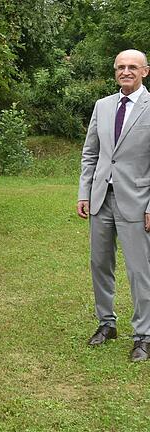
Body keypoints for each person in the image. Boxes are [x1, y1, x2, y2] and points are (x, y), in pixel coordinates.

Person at [78, 49, 150, 362]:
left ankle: (144, 335)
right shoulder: (103, 106)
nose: (126, 71)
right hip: (100, 199)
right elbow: (90, 154)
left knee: (139, 271)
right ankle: (107, 324)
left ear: (145, 71)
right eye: (121, 67)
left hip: (137, 200)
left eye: (132, 67)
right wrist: (84, 192)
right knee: (99, 264)